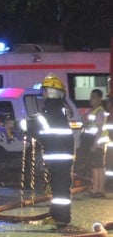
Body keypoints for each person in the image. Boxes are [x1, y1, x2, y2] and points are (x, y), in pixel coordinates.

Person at [29, 74, 76, 226]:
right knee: (57, 188)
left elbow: (36, 129)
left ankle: (62, 219)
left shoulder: (52, 112)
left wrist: (16, 126)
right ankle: (55, 215)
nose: (42, 95)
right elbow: (44, 134)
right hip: (59, 157)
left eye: (44, 91)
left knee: (60, 189)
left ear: (51, 92)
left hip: (59, 158)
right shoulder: (56, 110)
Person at [80, 88, 107, 197]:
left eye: (94, 97)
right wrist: (84, 120)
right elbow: (90, 126)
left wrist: (95, 144)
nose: (91, 100)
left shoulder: (100, 112)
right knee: (97, 166)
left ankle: (97, 189)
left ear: (99, 99)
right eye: (91, 97)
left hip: (98, 143)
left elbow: (99, 129)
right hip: (95, 142)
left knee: (97, 167)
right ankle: (98, 189)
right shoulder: (93, 111)